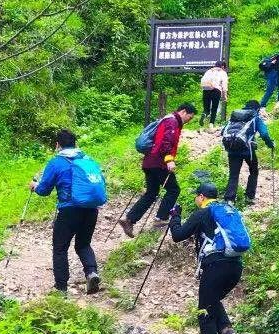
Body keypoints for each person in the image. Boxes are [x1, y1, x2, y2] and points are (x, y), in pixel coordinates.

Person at [169, 183, 246, 334]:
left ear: (201, 197)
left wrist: (175, 216)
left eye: (197, 197)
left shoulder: (203, 213)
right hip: (235, 266)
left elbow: (178, 235)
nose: (196, 200)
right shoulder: (228, 210)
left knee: (204, 314)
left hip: (215, 267)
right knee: (211, 302)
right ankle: (226, 330)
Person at [31, 129, 106, 295]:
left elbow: (44, 190)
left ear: (58, 145)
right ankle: (91, 272)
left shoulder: (56, 163)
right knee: (83, 244)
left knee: (60, 247)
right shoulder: (88, 160)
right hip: (91, 209)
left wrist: (35, 186)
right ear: (76, 144)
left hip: (69, 210)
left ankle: (61, 287)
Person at [118, 102, 196, 236]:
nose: (189, 120)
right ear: (183, 112)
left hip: (149, 161)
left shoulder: (167, 120)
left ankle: (129, 220)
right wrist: (169, 160)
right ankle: (161, 218)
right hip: (159, 163)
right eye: (190, 117)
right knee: (173, 189)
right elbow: (166, 142)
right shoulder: (172, 122)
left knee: (151, 192)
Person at [221, 100, 275, 205]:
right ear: (257, 109)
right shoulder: (255, 118)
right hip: (247, 150)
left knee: (233, 175)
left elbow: (223, 132)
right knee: (253, 171)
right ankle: (249, 197)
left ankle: (229, 200)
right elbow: (264, 134)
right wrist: (270, 144)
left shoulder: (235, 116)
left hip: (232, 150)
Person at [200, 61, 228, 127]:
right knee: (214, 108)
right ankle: (211, 124)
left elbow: (203, 81)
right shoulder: (222, 73)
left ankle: (204, 114)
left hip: (206, 90)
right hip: (216, 90)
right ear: (222, 66)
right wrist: (224, 96)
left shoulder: (208, 71)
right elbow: (224, 85)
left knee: (206, 109)